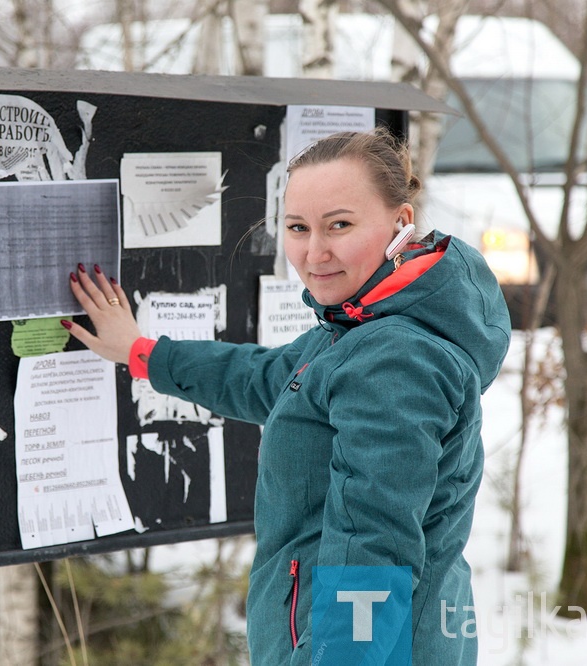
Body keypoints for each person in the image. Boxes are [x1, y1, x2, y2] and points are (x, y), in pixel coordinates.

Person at [60, 128, 511, 665]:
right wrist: (142, 354)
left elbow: (374, 545)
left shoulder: (394, 358)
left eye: (339, 225)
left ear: (400, 223)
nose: (314, 252)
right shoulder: (362, 327)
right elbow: (269, 377)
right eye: (297, 228)